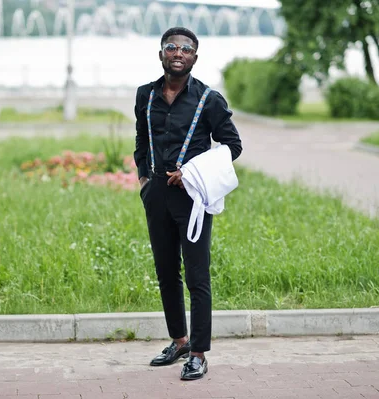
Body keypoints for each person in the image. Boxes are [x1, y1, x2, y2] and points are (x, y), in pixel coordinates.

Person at [133, 27, 243, 381]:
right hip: (156, 195)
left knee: (197, 276)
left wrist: (193, 171)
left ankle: (198, 352)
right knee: (166, 272)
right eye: (171, 47)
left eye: (186, 49)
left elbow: (232, 146)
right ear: (161, 53)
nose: (178, 52)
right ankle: (179, 341)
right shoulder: (145, 95)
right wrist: (144, 177)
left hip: (193, 198)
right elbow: (141, 138)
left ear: (194, 57)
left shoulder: (208, 99)